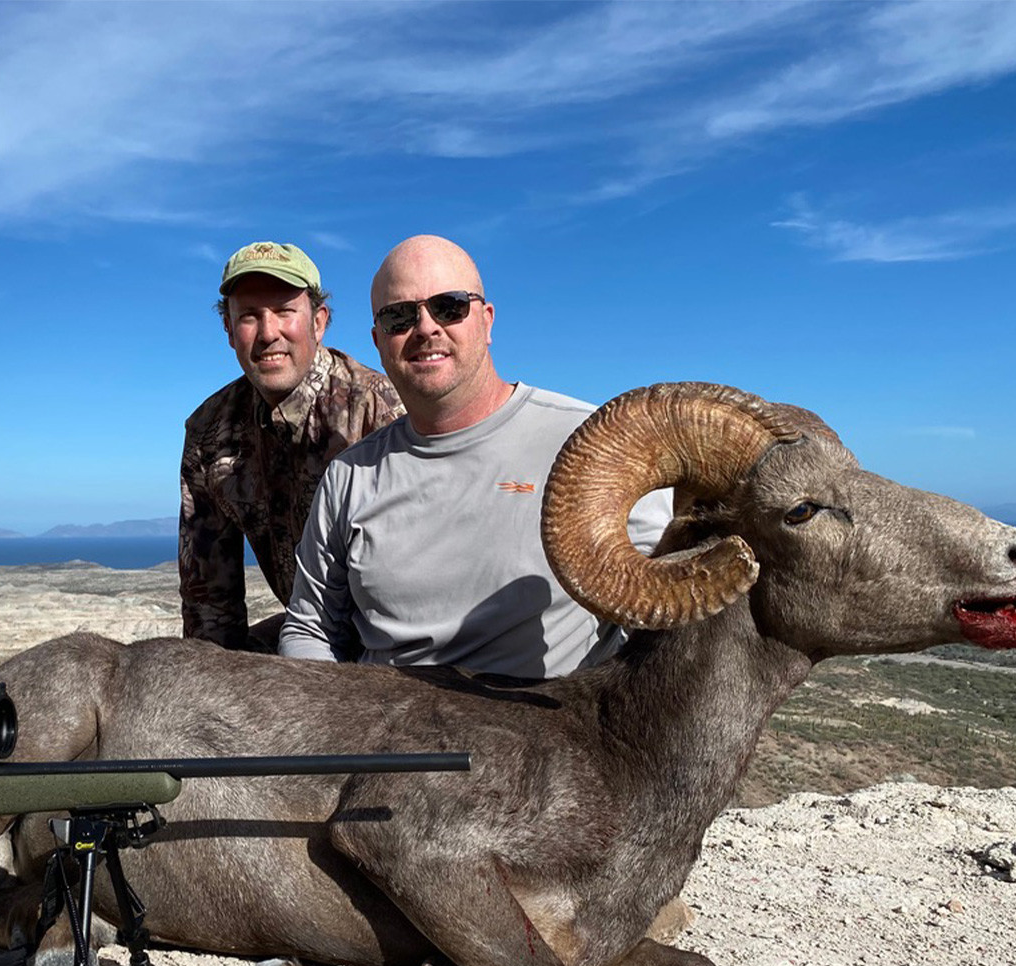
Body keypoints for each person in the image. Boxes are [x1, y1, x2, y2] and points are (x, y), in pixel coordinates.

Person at [279, 235, 673, 679]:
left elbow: (659, 605)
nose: (426, 328)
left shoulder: (592, 443)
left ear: (486, 321)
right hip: (386, 736)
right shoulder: (349, 476)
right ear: (378, 339)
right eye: (399, 316)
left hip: (546, 735)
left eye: (449, 307)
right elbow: (310, 627)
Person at [179, 241, 403, 650]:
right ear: (229, 331)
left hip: (391, 649)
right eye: (249, 316)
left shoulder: (378, 409)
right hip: (306, 641)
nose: (268, 333)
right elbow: (209, 602)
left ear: (318, 322)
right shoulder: (208, 430)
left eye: (284, 312)